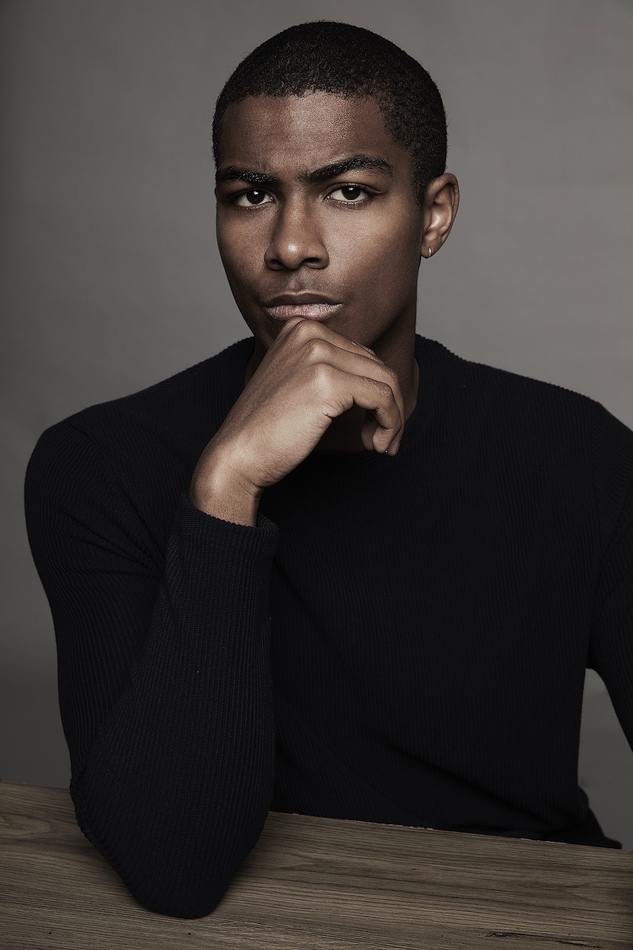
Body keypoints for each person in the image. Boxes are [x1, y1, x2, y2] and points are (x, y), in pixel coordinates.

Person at [25, 20, 633, 920]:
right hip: (266, 924)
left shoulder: (576, 454)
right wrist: (226, 487)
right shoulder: (101, 465)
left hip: (522, 912)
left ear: (432, 215)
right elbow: (171, 864)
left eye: (348, 192)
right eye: (250, 195)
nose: (290, 246)